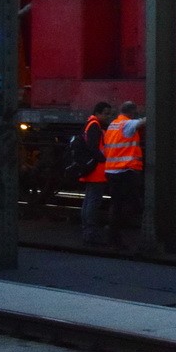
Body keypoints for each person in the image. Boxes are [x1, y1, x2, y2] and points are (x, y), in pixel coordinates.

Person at [103, 100, 146, 248]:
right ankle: (115, 234)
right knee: (131, 204)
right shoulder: (127, 124)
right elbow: (142, 122)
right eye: (135, 113)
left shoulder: (113, 124)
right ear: (131, 112)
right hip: (124, 171)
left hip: (111, 170)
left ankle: (113, 236)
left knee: (117, 204)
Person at [80, 101, 114, 246]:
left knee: (89, 200)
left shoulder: (91, 124)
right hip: (97, 171)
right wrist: (103, 158)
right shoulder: (95, 126)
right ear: (98, 113)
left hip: (93, 170)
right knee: (93, 201)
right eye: (106, 114)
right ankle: (90, 233)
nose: (108, 117)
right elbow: (93, 148)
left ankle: (88, 231)